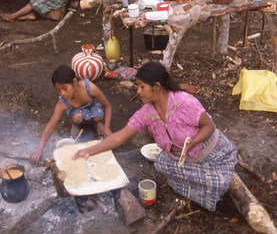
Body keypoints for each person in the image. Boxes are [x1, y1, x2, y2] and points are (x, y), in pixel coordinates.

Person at [75, 61, 237, 212]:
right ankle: (204, 183)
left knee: (219, 183)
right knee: (161, 163)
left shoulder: (184, 101)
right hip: (184, 157)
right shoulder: (146, 113)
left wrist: (193, 142)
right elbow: (119, 137)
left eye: (141, 87)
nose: (138, 92)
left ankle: (212, 180)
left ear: (157, 86)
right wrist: (89, 151)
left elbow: (209, 126)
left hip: (211, 152)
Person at [30, 65, 113, 164]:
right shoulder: (63, 102)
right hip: (77, 113)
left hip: (93, 108)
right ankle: (76, 124)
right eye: (58, 90)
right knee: (77, 118)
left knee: (98, 116)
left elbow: (107, 106)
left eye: (65, 88)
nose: (62, 93)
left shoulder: (89, 88)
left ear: (74, 82)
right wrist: (39, 149)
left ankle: (97, 123)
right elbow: (51, 126)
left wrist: (107, 127)